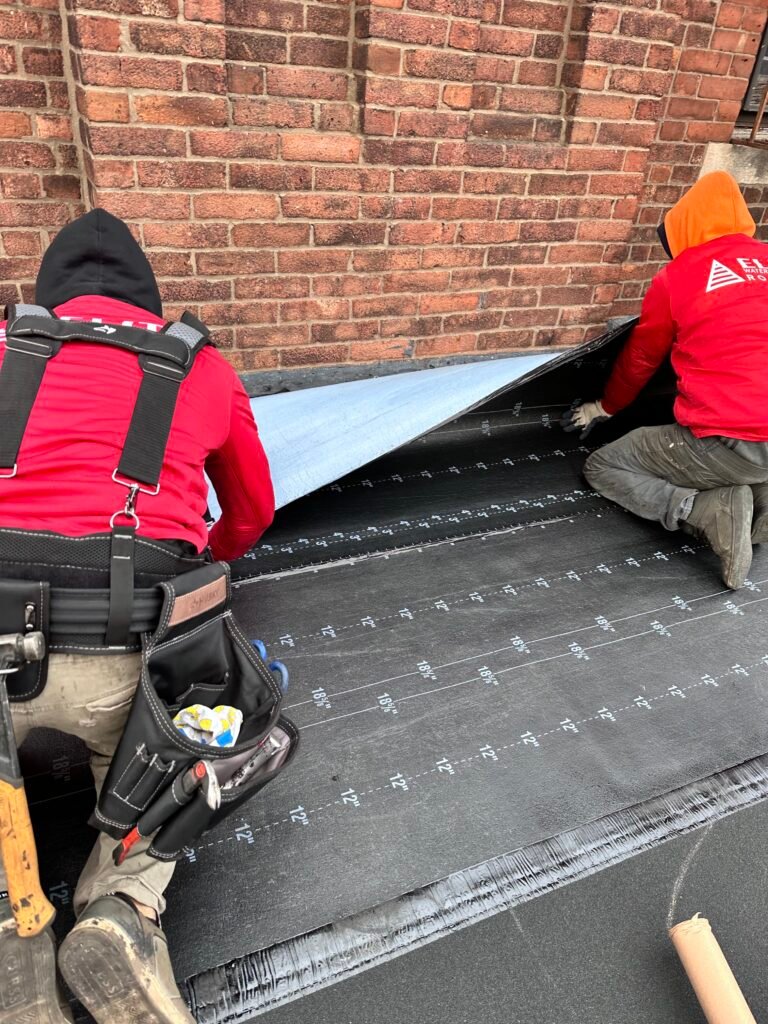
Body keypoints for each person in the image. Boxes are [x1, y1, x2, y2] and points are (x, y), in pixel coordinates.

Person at [0, 209, 274, 1024]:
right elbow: (252, 513)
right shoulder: (201, 367)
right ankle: (123, 908)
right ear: (146, 305)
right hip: (129, 657)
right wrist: (199, 559)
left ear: (48, 300)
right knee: (189, 736)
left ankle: (12, 917)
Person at [564, 171, 768, 591]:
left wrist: (604, 407)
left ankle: (705, 510)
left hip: (730, 436)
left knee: (605, 465)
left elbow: (641, 358)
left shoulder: (678, 277)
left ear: (685, 228)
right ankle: (760, 508)